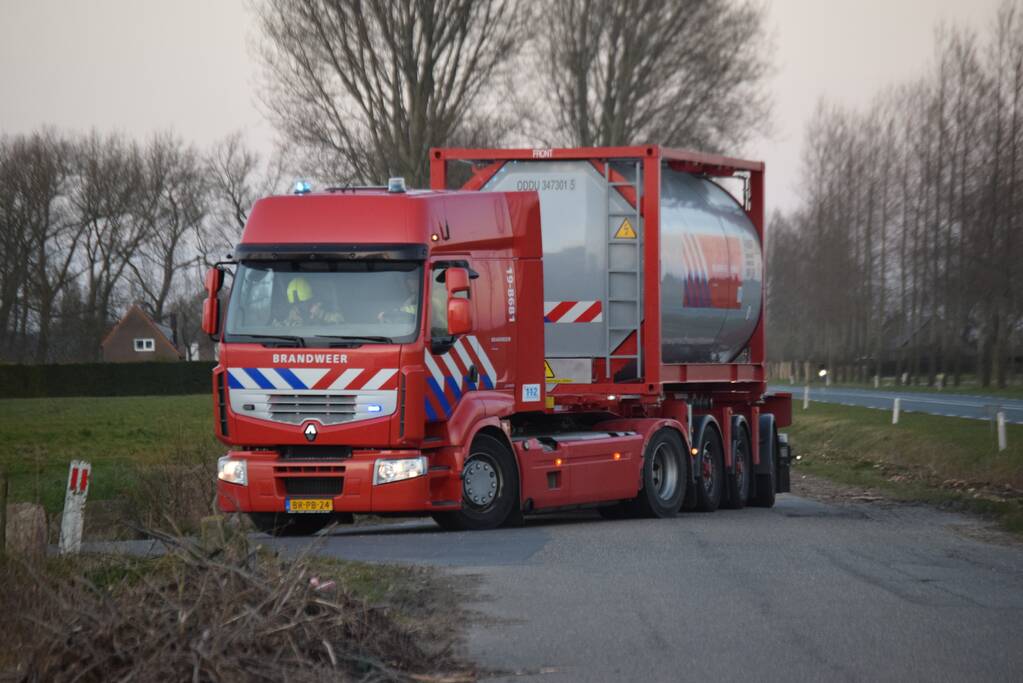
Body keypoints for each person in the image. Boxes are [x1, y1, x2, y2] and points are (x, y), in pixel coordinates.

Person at [276, 276, 343, 327]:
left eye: (302, 302)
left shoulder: (324, 306)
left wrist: (321, 314)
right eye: (295, 304)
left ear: (310, 299)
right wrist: (294, 321)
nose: (299, 306)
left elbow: (341, 322)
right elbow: (276, 328)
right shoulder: (293, 313)